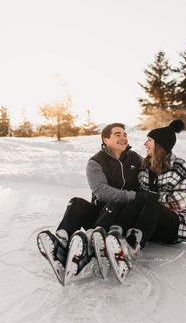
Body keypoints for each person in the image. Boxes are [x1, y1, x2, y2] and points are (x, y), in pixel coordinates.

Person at [37, 122, 143, 285]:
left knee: (113, 204)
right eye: (118, 134)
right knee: (77, 202)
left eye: (125, 134)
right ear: (106, 140)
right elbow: (101, 191)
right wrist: (132, 195)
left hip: (121, 217)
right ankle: (61, 242)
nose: (123, 138)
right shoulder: (95, 162)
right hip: (100, 212)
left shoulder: (135, 158)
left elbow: (152, 173)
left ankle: (91, 242)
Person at [93, 119, 186, 283]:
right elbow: (139, 195)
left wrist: (152, 197)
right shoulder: (145, 167)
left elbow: (180, 203)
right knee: (137, 197)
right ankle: (115, 236)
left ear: (160, 144)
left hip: (174, 225)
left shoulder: (179, 167)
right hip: (150, 225)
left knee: (150, 200)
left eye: (149, 140)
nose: (145, 143)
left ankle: (132, 248)